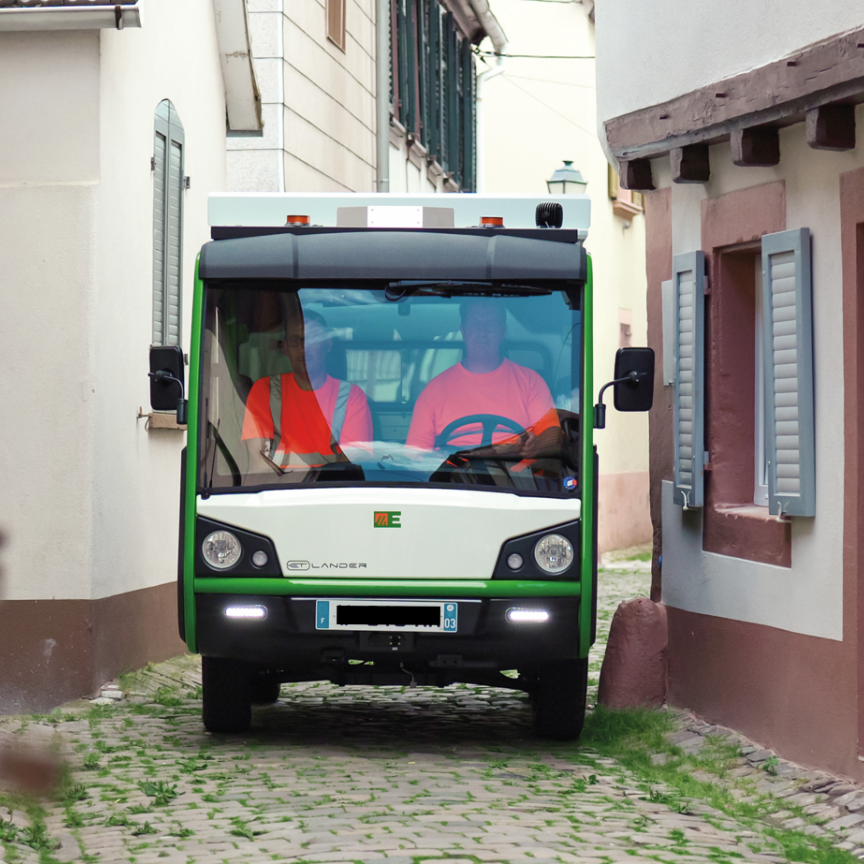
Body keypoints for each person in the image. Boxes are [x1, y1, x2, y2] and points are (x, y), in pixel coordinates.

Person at [406, 299, 561, 456]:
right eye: (474, 324)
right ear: (463, 331)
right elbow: (416, 456)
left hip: (514, 470)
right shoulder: (433, 391)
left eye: (491, 324)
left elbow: (552, 438)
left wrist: (536, 446)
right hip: (452, 471)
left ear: (503, 331)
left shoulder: (531, 382)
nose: (482, 332)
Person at [241, 302, 372, 472]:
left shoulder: (351, 396)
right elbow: (256, 460)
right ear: (286, 348)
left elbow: (353, 461)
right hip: (277, 487)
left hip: (331, 487)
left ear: (328, 344)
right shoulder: (265, 390)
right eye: (295, 340)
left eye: (313, 338)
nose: (303, 348)